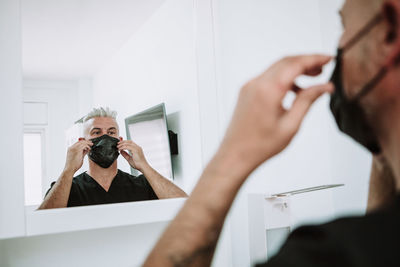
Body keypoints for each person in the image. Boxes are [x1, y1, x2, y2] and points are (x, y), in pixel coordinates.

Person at [143, 0, 400, 266]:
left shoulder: (325, 256)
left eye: (344, 26)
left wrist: (234, 153)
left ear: (388, 32)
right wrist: (385, 144)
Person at [38, 107, 187, 209]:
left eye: (111, 132)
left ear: (120, 140)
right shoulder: (69, 188)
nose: (105, 137)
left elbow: (184, 205)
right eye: (96, 132)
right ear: (82, 142)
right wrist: (69, 169)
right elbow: (43, 222)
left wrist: (145, 167)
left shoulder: (142, 185)